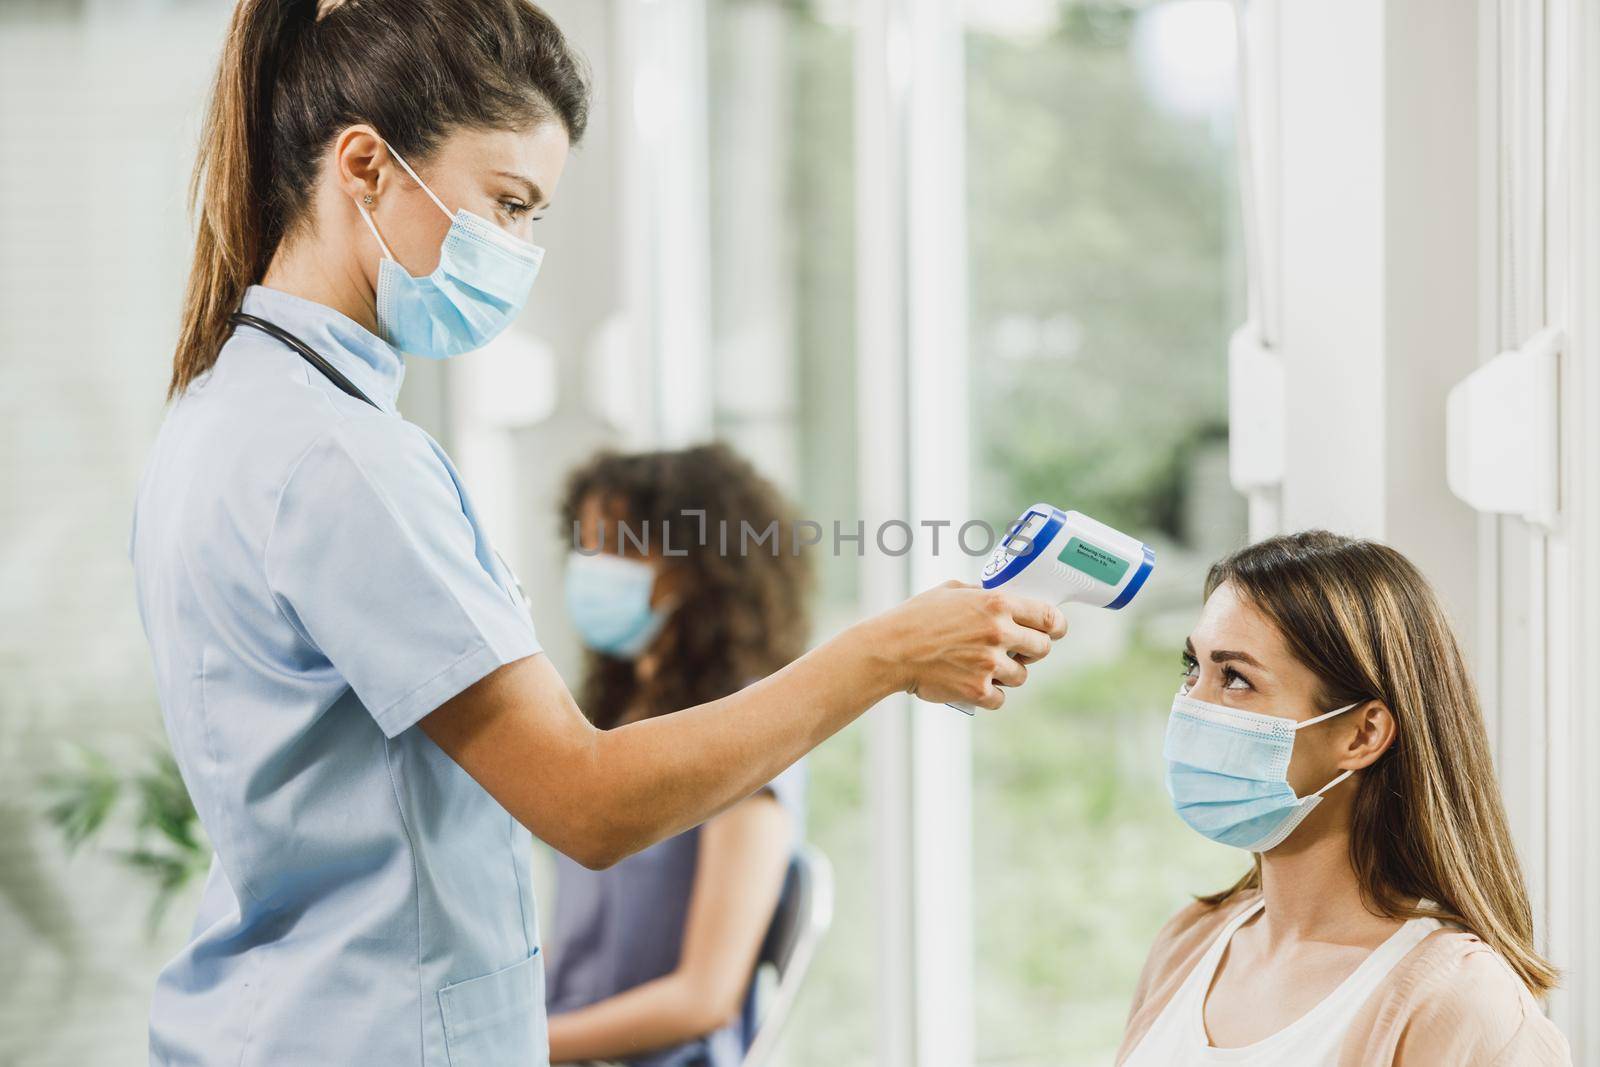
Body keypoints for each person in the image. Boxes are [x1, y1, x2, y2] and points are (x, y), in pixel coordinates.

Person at [129, 2, 1066, 1064]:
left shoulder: (219, 414)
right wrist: (883, 652)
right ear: (366, 166)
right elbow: (585, 799)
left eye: (534, 217)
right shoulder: (343, 462)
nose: (518, 251)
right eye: (507, 203)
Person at [1118, 531, 1570, 1065]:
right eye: (1193, 668)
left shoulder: (1464, 1006)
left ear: (1361, 735)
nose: (1192, 706)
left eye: (1236, 677)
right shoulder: (1193, 940)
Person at [543, 445, 811, 1067]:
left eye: (616, 546)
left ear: (700, 566)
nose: (593, 568)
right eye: (584, 546)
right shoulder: (610, 722)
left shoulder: (746, 736)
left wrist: (518, 1047)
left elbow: (703, 1000)